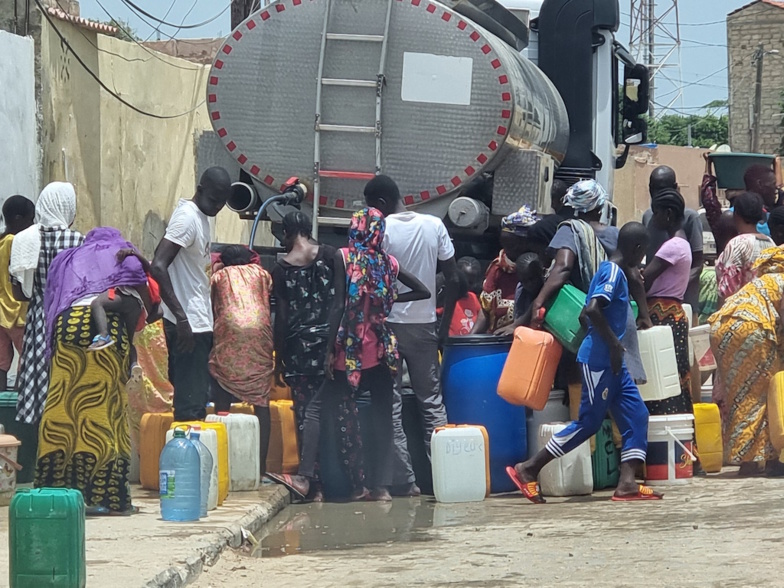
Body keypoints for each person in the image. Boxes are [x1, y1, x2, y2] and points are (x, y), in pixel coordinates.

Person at [268, 208, 430, 502]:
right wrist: (392, 299)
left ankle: (305, 478)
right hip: (382, 349)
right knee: (383, 419)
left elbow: (337, 307)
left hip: (352, 350)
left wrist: (331, 350)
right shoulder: (388, 262)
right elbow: (422, 290)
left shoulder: (347, 257)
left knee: (316, 408)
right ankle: (381, 488)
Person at [507, 222, 661, 503]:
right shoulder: (612, 272)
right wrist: (614, 344)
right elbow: (590, 310)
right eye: (643, 252)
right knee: (588, 423)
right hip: (600, 361)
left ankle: (627, 484)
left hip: (615, 362)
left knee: (637, 415)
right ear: (637, 249)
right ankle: (528, 468)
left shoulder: (614, 272)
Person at [36, 227, 155, 515]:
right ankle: (106, 498)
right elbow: (144, 286)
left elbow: (52, 298)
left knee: (62, 407)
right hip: (108, 329)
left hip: (66, 327)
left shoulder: (68, 258)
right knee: (103, 409)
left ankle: (55, 493)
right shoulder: (121, 252)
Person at [363, 175, 457, 496]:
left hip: (387, 326)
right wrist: (442, 329)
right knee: (431, 402)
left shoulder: (382, 231)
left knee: (391, 405)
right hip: (424, 324)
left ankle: (406, 482)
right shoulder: (434, 226)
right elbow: (453, 277)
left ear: (379, 205)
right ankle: (444, 478)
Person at [151, 167, 231, 422]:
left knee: (195, 401)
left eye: (222, 203)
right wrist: (181, 318)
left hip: (196, 321)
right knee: (190, 407)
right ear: (200, 190)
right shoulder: (187, 217)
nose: (217, 207)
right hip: (188, 325)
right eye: (213, 200)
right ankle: (185, 460)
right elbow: (158, 265)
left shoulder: (200, 217)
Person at [272, 212, 337, 501]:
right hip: (328, 348)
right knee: (330, 415)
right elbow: (339, 302)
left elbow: (282, 318)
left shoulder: (282, 268)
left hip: (299, 351)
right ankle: (333, 481)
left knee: (304, 416)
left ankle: (314, 486)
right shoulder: (331, 256)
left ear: (287, 233)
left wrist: (279, 357)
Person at [9, 182, 84, 424]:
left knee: (39, 379)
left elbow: (19, 293)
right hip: (70, 319)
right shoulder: (79, 242)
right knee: (68, 381)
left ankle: (39, 447)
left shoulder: (23, 240)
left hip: (38, 318)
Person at [709, 247, 784, 477]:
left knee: (740, 396)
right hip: (753, 328)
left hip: (721, 327)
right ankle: (769, 461)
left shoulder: (761, 281)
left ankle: (748, 461)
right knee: (767, 392)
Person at [208, 244, 274, 472]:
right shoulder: (262, 275)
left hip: (229, 333)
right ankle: (261, 466)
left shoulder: (218, 276)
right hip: (259, 336)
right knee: (261, 401)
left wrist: (215, 267)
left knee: (223, 385)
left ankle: (222, 461)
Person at [642, 189, 693, 416]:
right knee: (675, 375)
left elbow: (646, 278)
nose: (654, 219)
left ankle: (666, 427)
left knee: (661, 376)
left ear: (669, 214)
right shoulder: (683, 244)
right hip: (673, 313)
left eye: (657, 213)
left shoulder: (673, 246)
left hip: (663, 316)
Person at [642, 166, 704, 315]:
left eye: (663, 189)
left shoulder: (690, 218)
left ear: (675, 188)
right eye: (654, 189)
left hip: (682, 302)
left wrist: (674, 287)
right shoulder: (648, 217)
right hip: (652, 302)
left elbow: (697, 264)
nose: (657, 194)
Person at [474, 206, 540, 334]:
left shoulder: (536, 267)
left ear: (525, 242)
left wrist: (516, 326)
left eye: (513, 243)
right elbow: (486, 308)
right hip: (497, 338)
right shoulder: (497, 266)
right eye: (504, 243)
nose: (508, 249)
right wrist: (471, 337)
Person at [88, 248, 161, 354]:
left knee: (97, 303)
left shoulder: (128, 285)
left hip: (132, 304)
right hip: (139, 312)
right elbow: (159, 312)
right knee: (130, 343)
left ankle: (103, 335)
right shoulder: (151, 283)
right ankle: (133, 364)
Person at [0, 196, 35, 390]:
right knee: (26, 358)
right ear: (19, 219)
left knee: (2, 363)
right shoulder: (16, 242)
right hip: (18, 312)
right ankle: (21, 405)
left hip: (0, 313)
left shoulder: (2, 241)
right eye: (30, 220)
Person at [715, 192, 774, 303]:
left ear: (736, 214)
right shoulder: (770, 243)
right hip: (766, 314)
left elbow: (727, 290)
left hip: (741, 315)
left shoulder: (737, 244)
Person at [702, 158, 779, 238]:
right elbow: (709, 203)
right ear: (760, 184)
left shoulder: (772, 216)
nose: (776, 189)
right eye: (773, 184)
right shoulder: (731, 218)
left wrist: (777, 163)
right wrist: (708, 166)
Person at [494, 252, 544, 335]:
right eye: (524, 281)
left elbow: (539, 301)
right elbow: (518, 315)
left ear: (541, 273)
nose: (529, 284)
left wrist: (516, 325)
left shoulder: (550, 287)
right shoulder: (521, 289)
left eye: (532, 279)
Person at [437, 272, 481, 336]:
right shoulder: (445, 301)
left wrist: (471, 336)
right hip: (452, 342)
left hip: (470, 341)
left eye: (471, 282)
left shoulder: (472, 297)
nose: (468, 286)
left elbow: (481, 315)